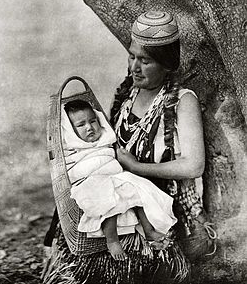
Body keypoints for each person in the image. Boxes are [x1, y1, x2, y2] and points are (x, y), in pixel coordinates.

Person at [42, 10, 208, 284]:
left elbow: (194, 164)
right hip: (114, 189)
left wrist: (136, 167)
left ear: (166, 64)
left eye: (146, 60)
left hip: (153, 200)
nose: (134, 67)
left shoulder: (181, 100)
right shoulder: (128, 93)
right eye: (132, 56)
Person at [62, 99, 177, 261]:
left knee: (138, 190)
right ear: (70, 130)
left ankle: (149, 230)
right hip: (91, 182)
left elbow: (111, 157)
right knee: (109, 201)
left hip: (113, 176)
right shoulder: (71, 147)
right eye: (81, 125)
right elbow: (73, 170)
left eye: (93, 121)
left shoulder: (104, 139)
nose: (89, 127)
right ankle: (112, 240)